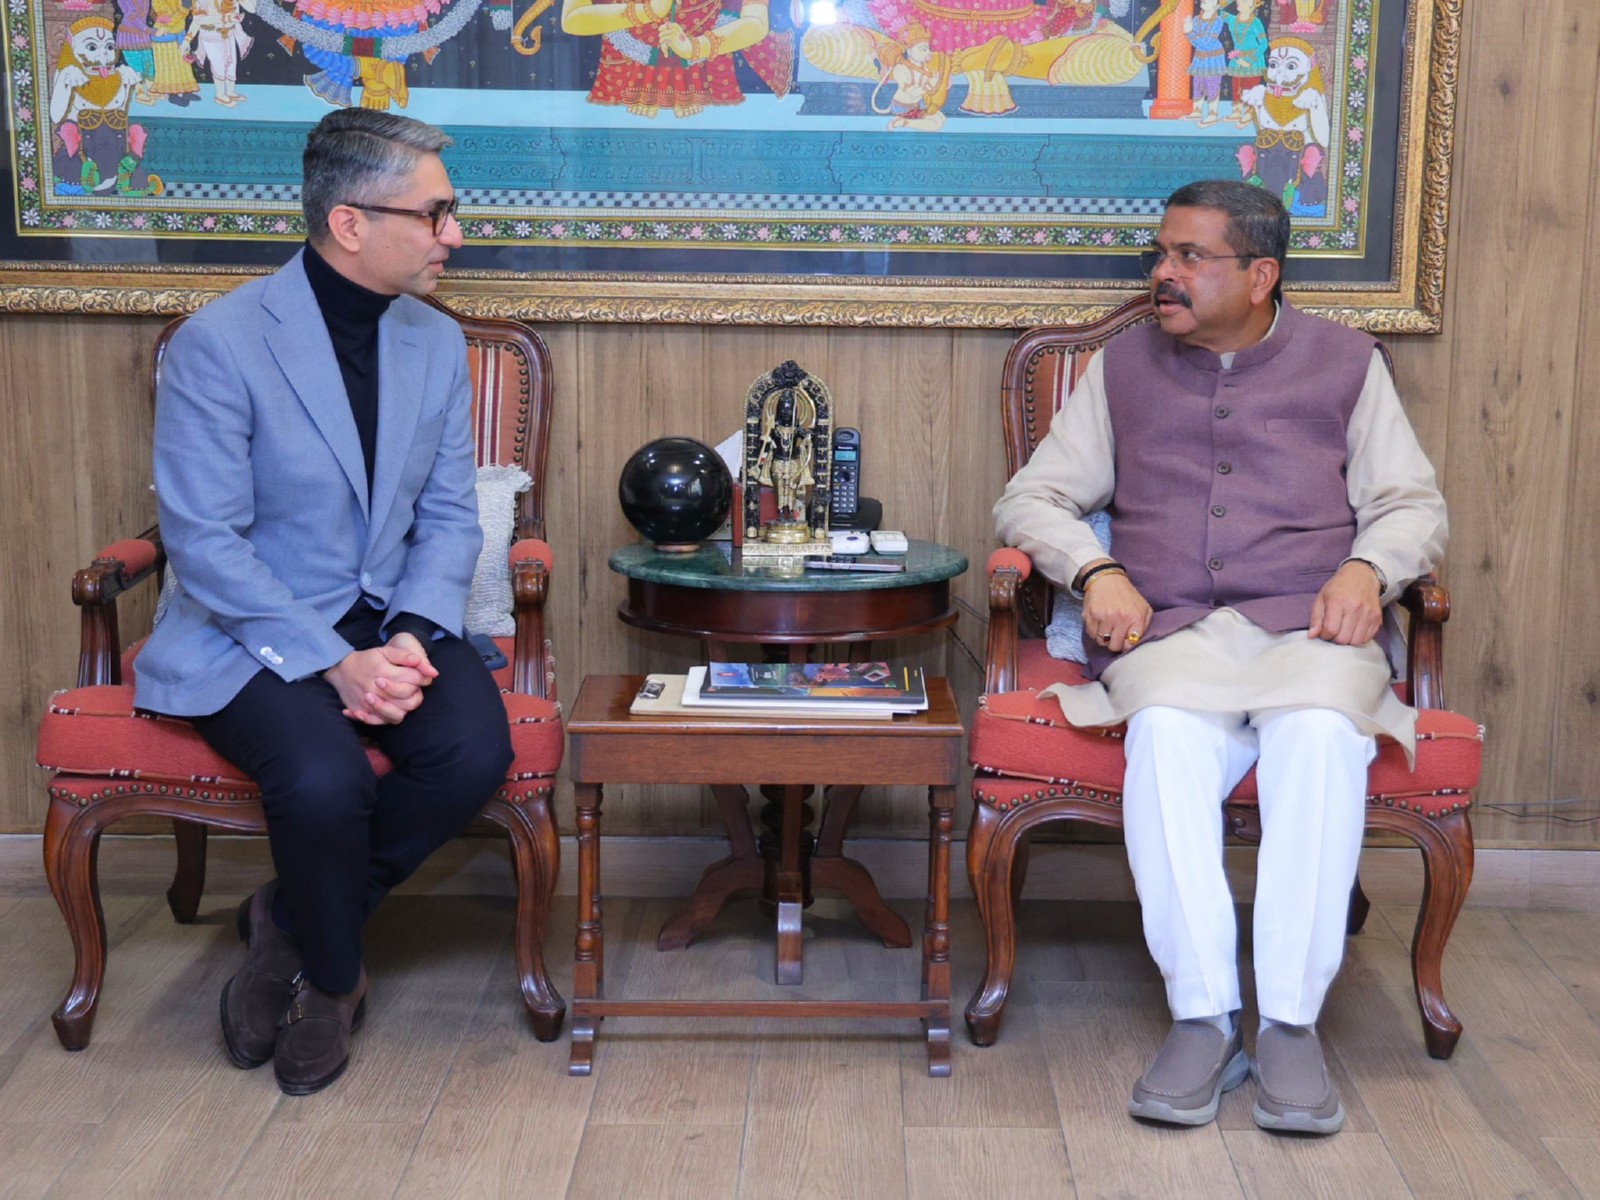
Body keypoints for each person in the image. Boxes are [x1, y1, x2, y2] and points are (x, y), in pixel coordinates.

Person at [994, 180, 1446, 1135]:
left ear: (1260, 275)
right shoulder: (1122, 369)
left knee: (1321, 739)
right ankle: (1202, 1016)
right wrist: (1097, 570)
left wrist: (1370, 568)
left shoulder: (1345, 362)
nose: (1163, 273)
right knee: (1162, 736)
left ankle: (1288, 1024)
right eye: (1162, 254)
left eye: (1190, 257)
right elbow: (1031, 502)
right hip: (1173, 636)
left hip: (1312, 636)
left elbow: (1412, 504)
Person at [136, 108, 512, 1096]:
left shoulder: (433, 343)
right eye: (435, 214)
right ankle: (336, 984)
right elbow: (205, 544)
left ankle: (291, 922)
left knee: (474, 749)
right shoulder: (221, 344)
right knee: (321, 780)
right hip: (251, 628)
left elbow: (446, 516)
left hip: (390, 617)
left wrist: (409, 636)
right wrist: (333, 662)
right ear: (351, 223)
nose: (454, 235)